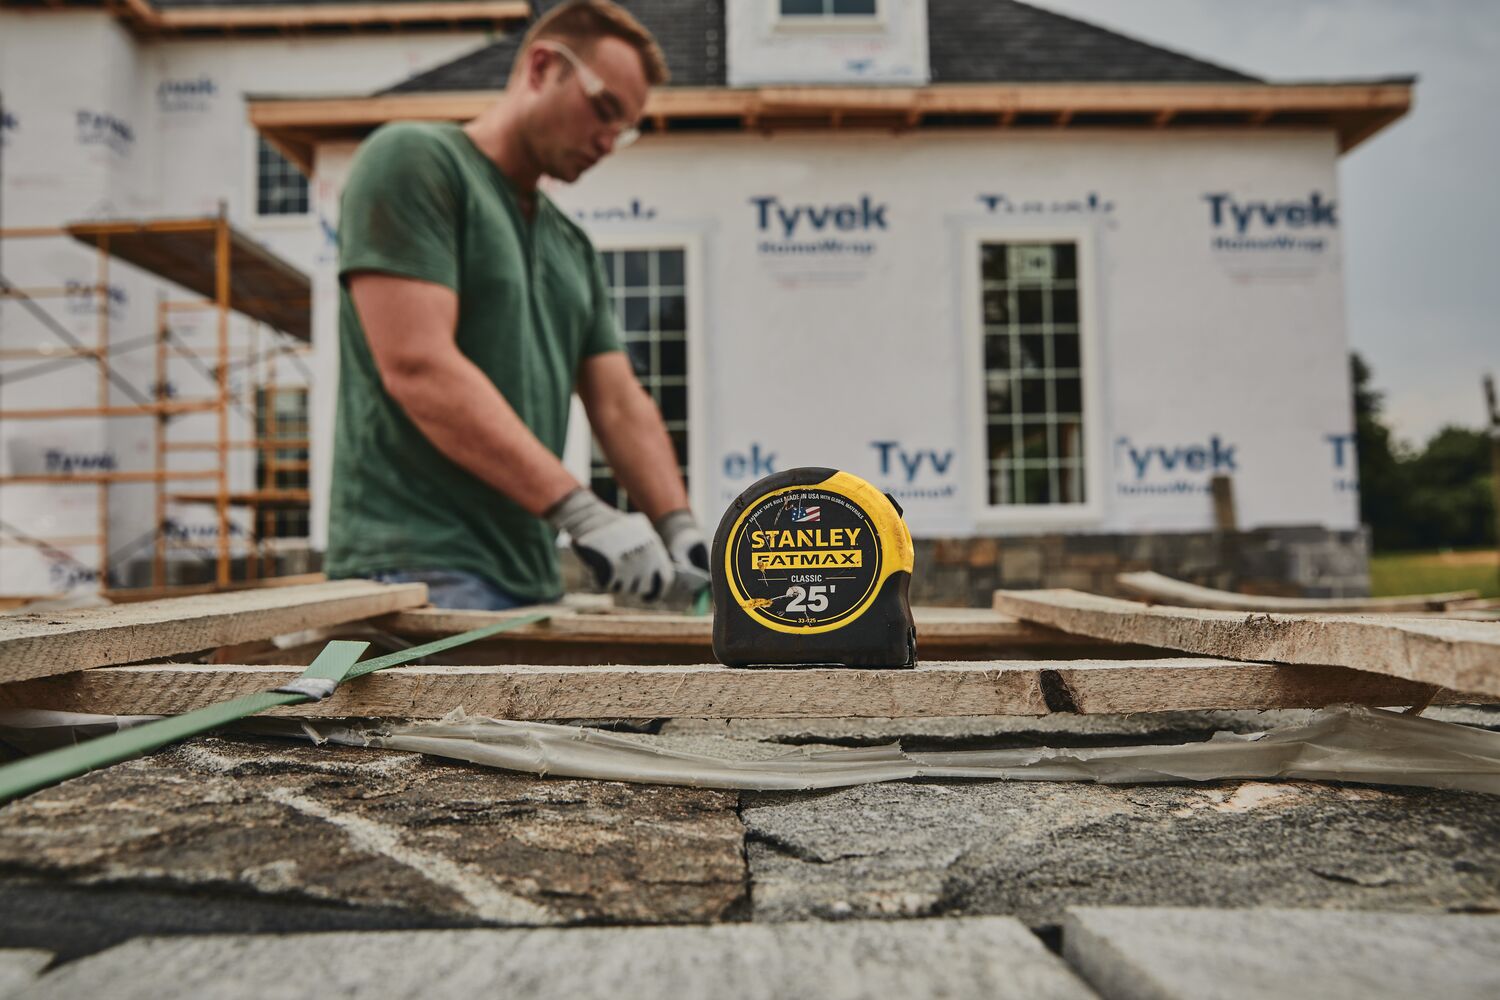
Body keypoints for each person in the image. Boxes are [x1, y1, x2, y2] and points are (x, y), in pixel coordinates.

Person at [326, 0, 708, 610]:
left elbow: (618, 401)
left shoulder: (571, 245)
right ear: (541, 68)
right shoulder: (415, 164)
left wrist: (678, 528)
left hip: (531, 579)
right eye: (605, 109)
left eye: (626, 128)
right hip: (417, 570)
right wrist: (584, 512)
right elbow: (419, 368)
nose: (610, 141)